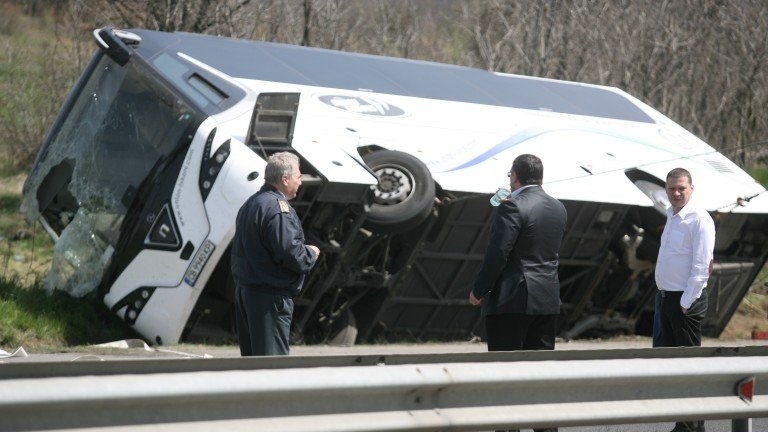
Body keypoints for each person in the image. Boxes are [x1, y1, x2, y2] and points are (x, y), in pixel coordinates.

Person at [469, 154, 567, 432]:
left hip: (512, 299)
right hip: (547, 298)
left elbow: (498, 254)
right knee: (540, 376)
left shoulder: (511, 206)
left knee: (505, 375)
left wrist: (480, 289)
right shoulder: (558, 207)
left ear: (514, 176)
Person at [230, 151, 320, 356]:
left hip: (249, 293)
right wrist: (311, 253)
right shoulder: (278, 209)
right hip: (269, 299)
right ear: (285, 179)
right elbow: (290, 253)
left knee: (254, 363)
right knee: (272, 365)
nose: (301, 182)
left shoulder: (252, 203)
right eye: (298, 176)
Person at [654, 167, 715, 432]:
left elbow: (702, 267)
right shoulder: (671, 215)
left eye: (681, 188)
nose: (676, 193)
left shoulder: (699, 219)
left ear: (692, 188)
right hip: (667, 299)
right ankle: (687, 424)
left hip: (684, 303)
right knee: (673, 368)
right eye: (671, 188)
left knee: (689, 367)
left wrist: (685, 303)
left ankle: (690, 427)